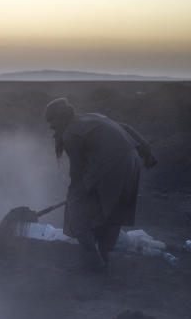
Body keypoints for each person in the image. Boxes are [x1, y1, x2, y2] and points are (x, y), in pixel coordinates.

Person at [44, 97, 157, 268]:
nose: (51, 126)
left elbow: (77, 171)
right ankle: (104, 256)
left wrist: (74, 194)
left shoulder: (70, 134)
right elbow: (125, 128)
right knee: (112, 210)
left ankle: (92, 260)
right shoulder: (93, 116)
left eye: (52, 121)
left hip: (110, 166)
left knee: (76, 211)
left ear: (61, 117)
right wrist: (146, 151)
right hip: (131, 162)